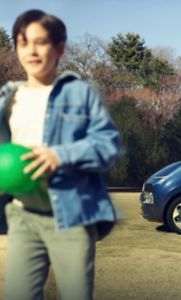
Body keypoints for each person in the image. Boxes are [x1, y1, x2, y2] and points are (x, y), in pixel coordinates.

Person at [0, 10, 120, 300]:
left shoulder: (80, 94)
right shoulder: (7, 97)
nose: (32, 50)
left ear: (60, 48)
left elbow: (108, 146)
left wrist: (60, 155)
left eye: (41, 42)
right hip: (21, 214)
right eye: (23, 42)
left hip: (71, 215)